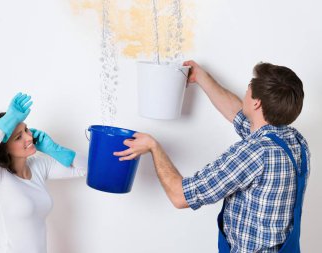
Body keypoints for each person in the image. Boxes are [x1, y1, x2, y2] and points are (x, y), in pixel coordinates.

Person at [114, 61, 310, 252]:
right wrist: (201, 76)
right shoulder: (295, 142)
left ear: (257, 103)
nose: (246, 90)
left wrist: (153, 147)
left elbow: (180, 196)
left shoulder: (253, 154)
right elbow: (240, 116)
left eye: (250, 86)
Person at [0, 92, 87, 253]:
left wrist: (56, 150)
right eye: (18, 137)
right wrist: (10, 118)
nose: (29, 137)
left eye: (26, 130)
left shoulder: (38, 166)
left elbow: (87, 169)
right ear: (2, 146)